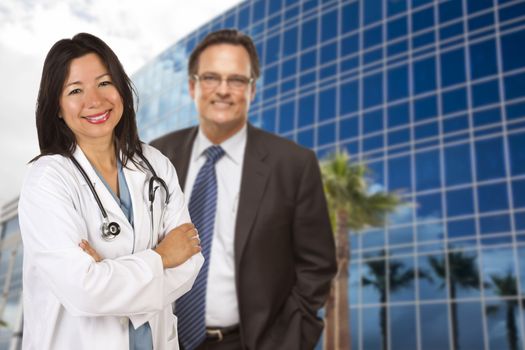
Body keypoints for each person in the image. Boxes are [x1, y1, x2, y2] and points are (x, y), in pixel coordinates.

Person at [151, 29, 337, 350]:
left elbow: (316, 267)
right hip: (160, 340)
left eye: (237, 80)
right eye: (211, 77)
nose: (223, 90)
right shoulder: (156, 156)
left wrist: (289, 342)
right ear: (193, 86)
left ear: (252, 91)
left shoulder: (293, 164)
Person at [18, 33, 204, 350]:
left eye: (104, 83)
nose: (95, 100)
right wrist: (161, 258)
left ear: (121, 88)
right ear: (58, 108)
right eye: (76, 90)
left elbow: (189, 262)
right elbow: (83, 290)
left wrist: (108, 274)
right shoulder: (47, 179)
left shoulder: (155, 165)